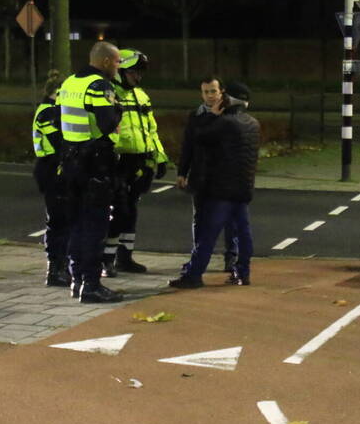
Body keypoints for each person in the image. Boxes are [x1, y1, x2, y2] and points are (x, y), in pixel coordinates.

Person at [168, 81, 259, 288]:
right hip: (244, 187)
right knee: (243, 232)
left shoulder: (224, 123)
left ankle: (194, 274)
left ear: (228, 99)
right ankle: (242, 272)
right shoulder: (253, 123)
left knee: (207, 234)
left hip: (222, 188)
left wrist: (212, 115)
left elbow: (200, 137)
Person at [57, 41, 124, 304]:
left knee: (75, 224)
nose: (118, 67)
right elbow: (107, 124)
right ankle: (93, 285)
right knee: (95, 226)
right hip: (94, 163)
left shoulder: (70, 82)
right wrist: (118, 110)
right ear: (106, 61)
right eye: (117, 62)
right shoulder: (100, 86)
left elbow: (56, 116)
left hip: (70, 161)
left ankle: (76, 281)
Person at [101, 48, 168, 277]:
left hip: (139, 162)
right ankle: (106, 260)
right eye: (134, 73)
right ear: (121, 71)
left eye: (140, 73)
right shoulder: (109, 94)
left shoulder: (140, 95)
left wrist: (158, 157)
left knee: (131, 210)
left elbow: (151, 129)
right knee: (118, 211)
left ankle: (125, 258)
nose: (138, 77)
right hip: (118, 162)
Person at [176, 76, 238, 272]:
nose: (210, 96)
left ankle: (232, 256)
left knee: (229, 217)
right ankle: (199, 255)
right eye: (206, 92)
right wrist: (182, 171)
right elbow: (188, 145)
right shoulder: (195, 116)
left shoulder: (231, 115)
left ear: (222, 92)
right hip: (201, 174)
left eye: (213, 91)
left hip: (225, 175)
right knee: (200, 218)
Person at [32, 69, 69, 288]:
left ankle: (61, 265)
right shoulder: (47, 112)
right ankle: (55, 269)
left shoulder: (54, 111)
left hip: (55, 168)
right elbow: (58, 142)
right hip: (50, 168)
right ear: (57, 92)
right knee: (57, 221)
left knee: (63, 220)